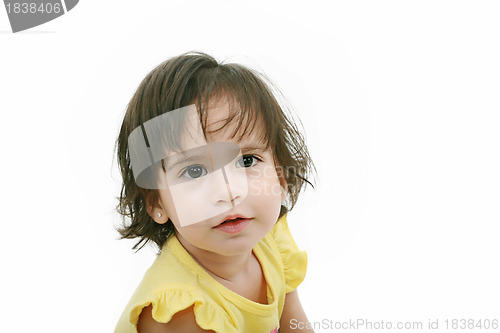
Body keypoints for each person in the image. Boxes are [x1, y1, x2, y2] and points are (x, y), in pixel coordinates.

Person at [113, 51, 316, 333]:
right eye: (194, 171)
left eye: (247, 161)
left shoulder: (272, 245)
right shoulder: (182, 311)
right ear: (156, 201)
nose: (229, 192)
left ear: (281, 176)